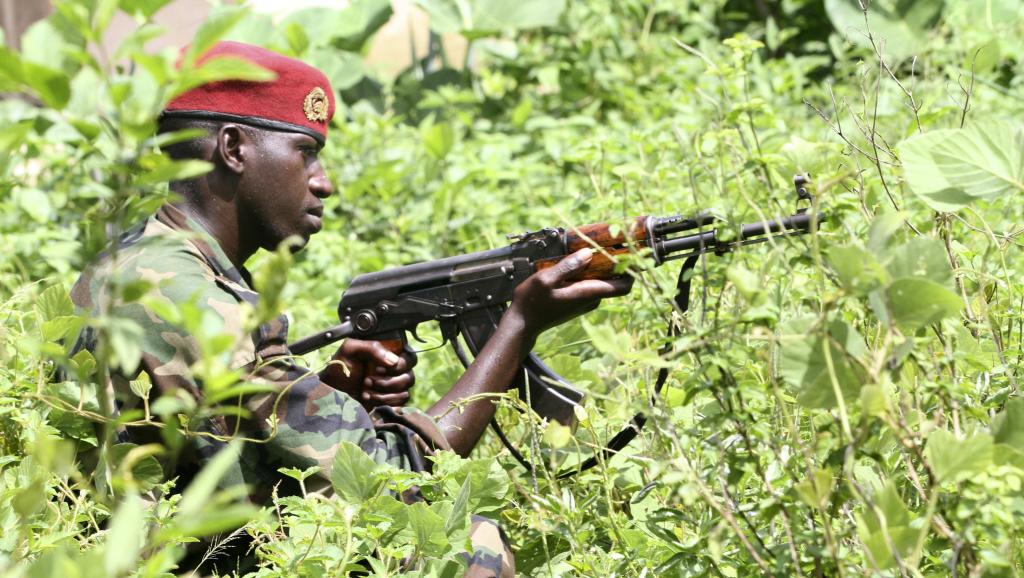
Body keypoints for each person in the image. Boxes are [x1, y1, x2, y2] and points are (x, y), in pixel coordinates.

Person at [70, 41, 632, 577]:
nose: (324, 183)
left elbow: (220, 434)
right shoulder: (193, 302)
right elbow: (393, 484)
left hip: (138, 545)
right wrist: (517, 327)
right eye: (305, 154)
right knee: (464, 544)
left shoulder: (143, 260)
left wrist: (330, 388)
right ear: (235, 148)